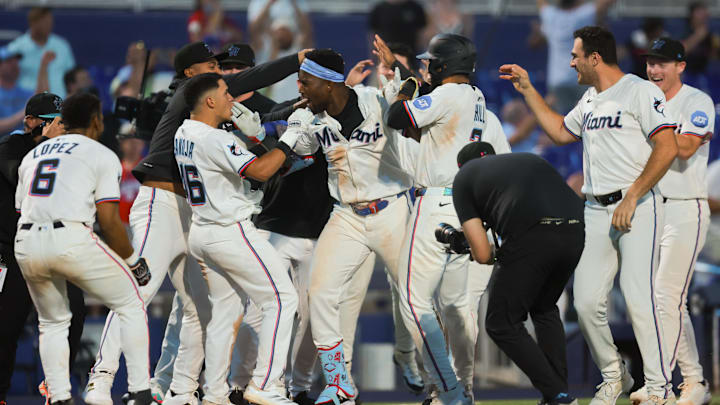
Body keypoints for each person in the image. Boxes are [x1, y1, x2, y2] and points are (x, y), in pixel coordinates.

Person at [83, 41, 308, 405]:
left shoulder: (207, 112)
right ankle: (101, 379)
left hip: (195, 213)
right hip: (162, 204)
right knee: (136, 293)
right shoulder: (191, 94)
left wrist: (293, 109)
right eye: (211, 67)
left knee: (201, 308)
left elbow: (259, 113)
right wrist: (297, 61)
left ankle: (182, 390)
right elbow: (252, 81)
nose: (219, 73)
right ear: (190, 74)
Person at [499, 26, 679, 405]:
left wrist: (633, 195)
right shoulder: (591, 98)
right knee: (584, 303)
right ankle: (616, 376)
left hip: (638, 206)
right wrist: (529, 90)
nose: (571, 62)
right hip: (596, 208)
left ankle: (660, 388)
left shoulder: (639, 90)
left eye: (575, 55)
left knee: (638, 297)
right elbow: (562, 133)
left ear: (594, 58)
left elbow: (667, 146)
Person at [283, 48, 414, 405]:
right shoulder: (312, 119)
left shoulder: (375, 101)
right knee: (320, 293)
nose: (300, 87)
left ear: (329, 83)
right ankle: (339, 381)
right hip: (346, 215)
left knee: (415, 299)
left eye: (306, 81)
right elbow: (298, 152)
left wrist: (398, 72)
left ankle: (443, 384)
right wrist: (292, 128)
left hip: (391, 210)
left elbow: (408, 96)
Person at [14, 92, 152, 405]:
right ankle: (140, 392)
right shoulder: (101, 153)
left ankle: (60, 398)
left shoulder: (34, 154)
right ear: (95, 120)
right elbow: (109, 222)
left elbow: (23, 208)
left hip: (27, 242)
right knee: (131, 301)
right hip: (70, 236)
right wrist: (134, 262)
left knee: (52, 322)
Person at [175, 73, 301, 405]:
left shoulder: (183, 131)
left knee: (225, 313)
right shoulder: (215, 139)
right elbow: (260, 171)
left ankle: (215, 394)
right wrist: (289, 139)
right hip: (229, 230)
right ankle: (266, 384)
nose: (232, 98)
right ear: (210, 101)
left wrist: (254, 135)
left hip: (202, 231)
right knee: (282, 299)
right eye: (226, 92)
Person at [452, 142, 585, 405]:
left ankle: (558, 394)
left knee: (501, 323)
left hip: (533, 235)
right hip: (576, 229)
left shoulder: (464, 178)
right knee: (544, 308)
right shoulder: (526, 159)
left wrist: (465, 246)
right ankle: (556, 396)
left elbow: (482, 254)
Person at [628, 37, 715, 405]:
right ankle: (692, 382)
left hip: (685, 206)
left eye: (663, 62)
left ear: (680, 65)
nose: (654, 69)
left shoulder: (696, 100)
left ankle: (660, 384)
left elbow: (685, 148)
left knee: (665, 295)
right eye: (650, 62)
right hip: (651, 207)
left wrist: (653, 127)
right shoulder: (641, 100)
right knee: (656, 300)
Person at [0, 92, 87, 405]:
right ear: (30, 123)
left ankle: (56, 387)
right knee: (5, 327)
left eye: (64, 123)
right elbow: (22, 176)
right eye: (52, 122)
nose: (59, 128)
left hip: (51, 248)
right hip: (7, 252)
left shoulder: (68, 153)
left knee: (74, 313)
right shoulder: (11, 146)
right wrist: (50, 146)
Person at [533, 0, 616, 113]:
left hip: (558, 81)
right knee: (587, 122)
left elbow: (541, 3)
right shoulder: (584, 15)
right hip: (582, 78)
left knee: (561, 125)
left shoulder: (550, 16)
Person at [249, 0, 314, 101]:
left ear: (292, 33)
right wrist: (270, 3)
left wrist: (294, 3)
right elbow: (254, 29)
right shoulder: (264, 47)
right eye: (278, 31)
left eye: (284, 30)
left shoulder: (300, 48)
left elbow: (306, 29)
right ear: (272, 33)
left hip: (296, 101)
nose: (281, 34)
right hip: (273, 104)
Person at [7, 7, 75, 97]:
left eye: (50, 21)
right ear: (33, 23)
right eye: (44, 22)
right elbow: (7, 80)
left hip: (60, 104)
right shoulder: (15, 48)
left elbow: (71, 77)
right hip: (27, 105)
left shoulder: (62, 46)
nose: (49, 25)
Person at [0, 46, 53, 135]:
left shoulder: (25, 93)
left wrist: (44, 66)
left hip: (27, 145)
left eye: (16, 61)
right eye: (9, 62)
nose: (15, 65)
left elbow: (43, 99)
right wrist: (25, 112)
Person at [681, 2, 720, 76]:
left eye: (705, 13)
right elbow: (679, 51)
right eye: (700, 13)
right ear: (692, 14)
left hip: (705, 73)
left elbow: (714, 55)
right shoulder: (684, 28)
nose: (704, 16)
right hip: (686, 73)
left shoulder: (710, 32)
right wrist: (698, 35)